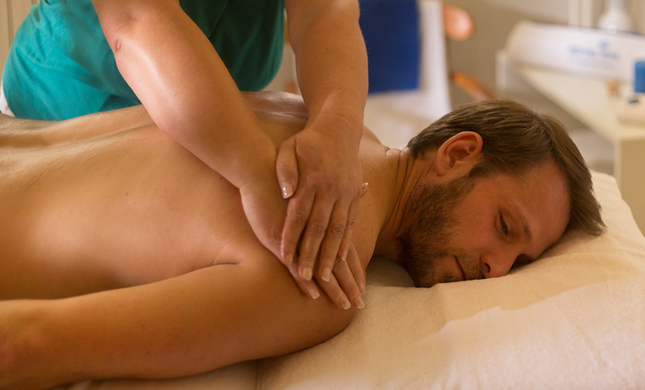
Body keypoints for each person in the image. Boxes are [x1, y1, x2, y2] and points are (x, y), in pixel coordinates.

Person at [0, 92, 604, 390]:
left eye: (520, 261)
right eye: (505, 227)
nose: (496, 269)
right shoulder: (322, 264)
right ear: (457, 154)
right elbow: (22, 344)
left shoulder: (310, 116)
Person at [0, 0, 369, 306]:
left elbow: (325, 10)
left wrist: (338, 128)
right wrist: (258, 174)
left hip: (208, 125)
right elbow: (136, 19)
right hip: (57, 116)